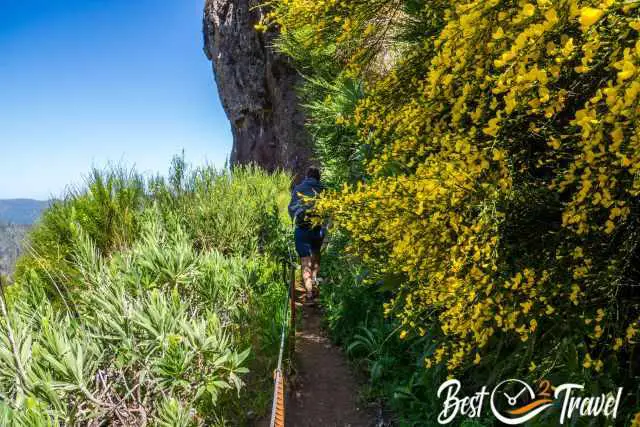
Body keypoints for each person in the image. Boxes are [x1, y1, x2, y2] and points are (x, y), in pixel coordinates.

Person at [288, 167, 325, 305]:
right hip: (318, 229)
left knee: (305, 262)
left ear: (307, 176)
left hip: (302, 230)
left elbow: (291, 207)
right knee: (316, 255)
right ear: (318, 177)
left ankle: (309, 293)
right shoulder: (323, 188)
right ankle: (314, 281)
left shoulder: (299, 188)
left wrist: (297, 215)